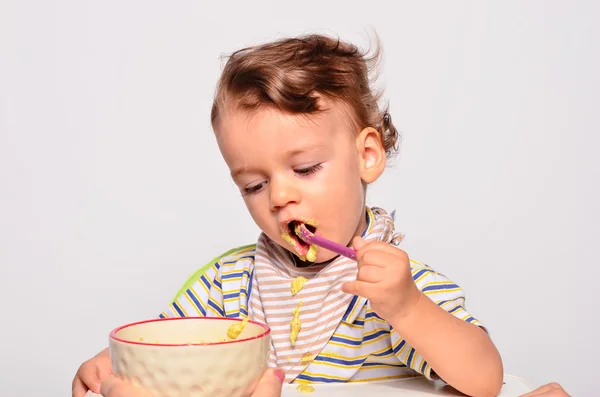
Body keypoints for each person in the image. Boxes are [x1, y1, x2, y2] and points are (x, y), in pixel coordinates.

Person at [72, 33, 566, 397]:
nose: (279, 197)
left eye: (305, 169)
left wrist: (408, 306)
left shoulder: (393, 283)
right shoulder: (229, 284)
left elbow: (484, 380)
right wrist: (112, 366)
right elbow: (166, 349)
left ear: (367, 156)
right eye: (254, 185)